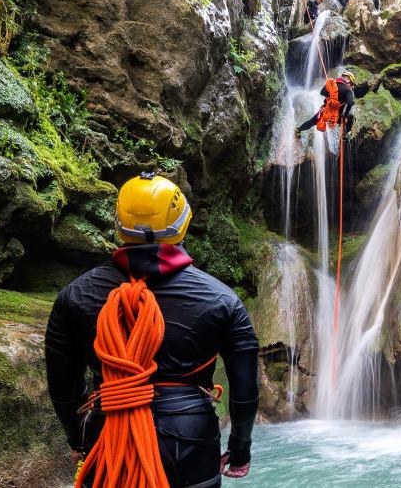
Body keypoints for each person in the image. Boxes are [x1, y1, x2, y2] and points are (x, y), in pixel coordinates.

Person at [46, 173, 259, 488]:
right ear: (182, 223)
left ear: (119, 225)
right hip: (190, 438)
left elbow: (62, 386)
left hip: (109, 436)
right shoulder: (222, 299)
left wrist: (78, 439)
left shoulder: (74, 296)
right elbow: (245, 389)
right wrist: (240, 448)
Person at [297, 70, 356, 136]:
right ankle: (345, 134)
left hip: (325, 112)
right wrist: (345, 115)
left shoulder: (332, 84)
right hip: (336, 116)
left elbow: (322, 93)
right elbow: (350, 103)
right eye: (351, 84)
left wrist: (331, 93)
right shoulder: (348, 90)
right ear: (350, 81)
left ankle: (299, 129)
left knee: (312, 122)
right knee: (350, 118)